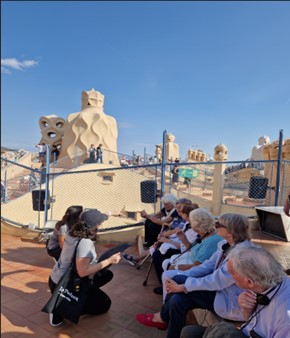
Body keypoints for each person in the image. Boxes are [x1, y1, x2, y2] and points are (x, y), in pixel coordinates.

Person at [136, 213, 253, 338]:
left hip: (228, 300)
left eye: (218, 224)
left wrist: (183, 286)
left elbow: (216, 281)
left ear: (230, 231)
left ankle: (163, 318)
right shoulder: (225, 244)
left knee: (178, 295)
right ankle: (166, 322)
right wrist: (183, 275)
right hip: (219, 290)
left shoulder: (240, 255)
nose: (215, 226)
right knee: (177, 290)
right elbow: (207, 266)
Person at [181, 246, 290, 338]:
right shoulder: (263, 285)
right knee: (189, 332)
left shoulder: (285, 316)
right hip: (246, 332)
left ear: (249, 282)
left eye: (232, 274)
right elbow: (250, 322)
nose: (230, 277)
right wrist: (247, 310)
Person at [48, 209, 121, 326]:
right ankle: (60, 309)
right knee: (105, 304)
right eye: (100, 223)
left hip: (56, 279)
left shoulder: (72, 232)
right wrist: (110, 260)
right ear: (95, 226)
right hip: (65, 285)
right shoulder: (85, 243)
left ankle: (75, 297)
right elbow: (82, 272)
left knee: (106, 275)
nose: (101, 225)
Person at [151, 202, 199, 294]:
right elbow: (177, 233)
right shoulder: (187, 223)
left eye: (181, 212)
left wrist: (168, 241)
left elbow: (186, 247)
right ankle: (164, 282)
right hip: (181, 246)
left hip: (185, 250)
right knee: (159, 247)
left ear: (186, 214)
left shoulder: (195, 228)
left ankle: (164, 284)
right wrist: (165, 237)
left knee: (158, 255)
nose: (179, 213)